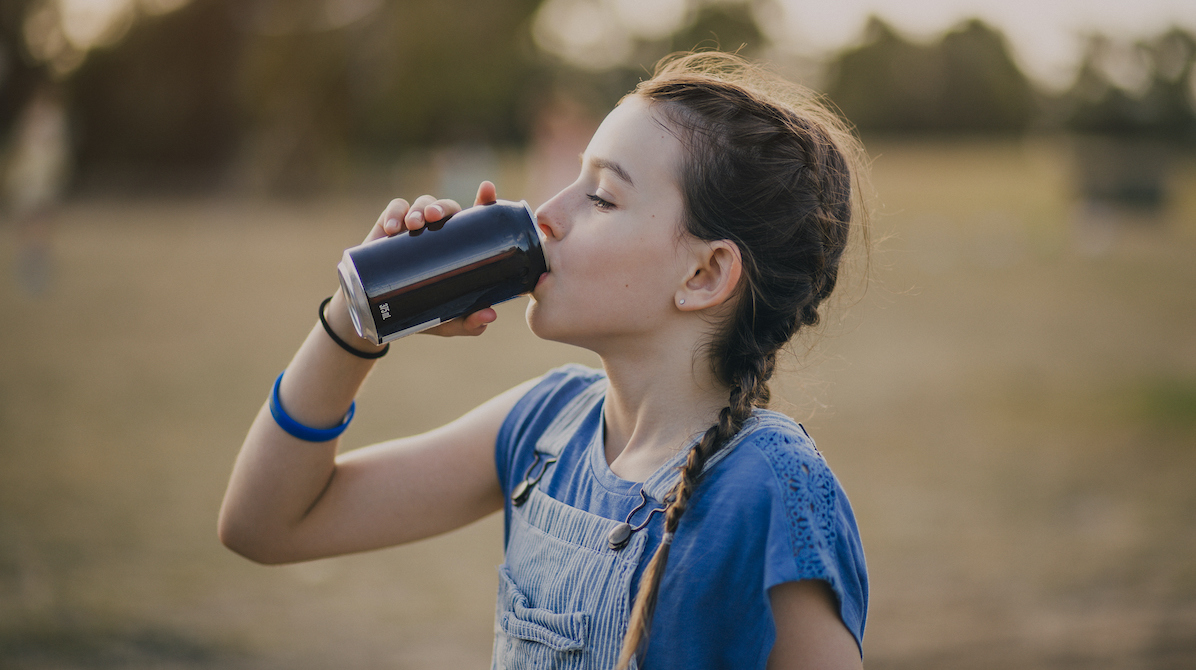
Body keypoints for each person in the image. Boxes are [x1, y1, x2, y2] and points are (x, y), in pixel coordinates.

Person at [219, 51, 869, 669]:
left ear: (704, 273)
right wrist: (355, 319)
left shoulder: (772, 489)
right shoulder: (544, 426)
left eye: (602, 197)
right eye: (570, 180)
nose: (545, 215)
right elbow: (266, 524)